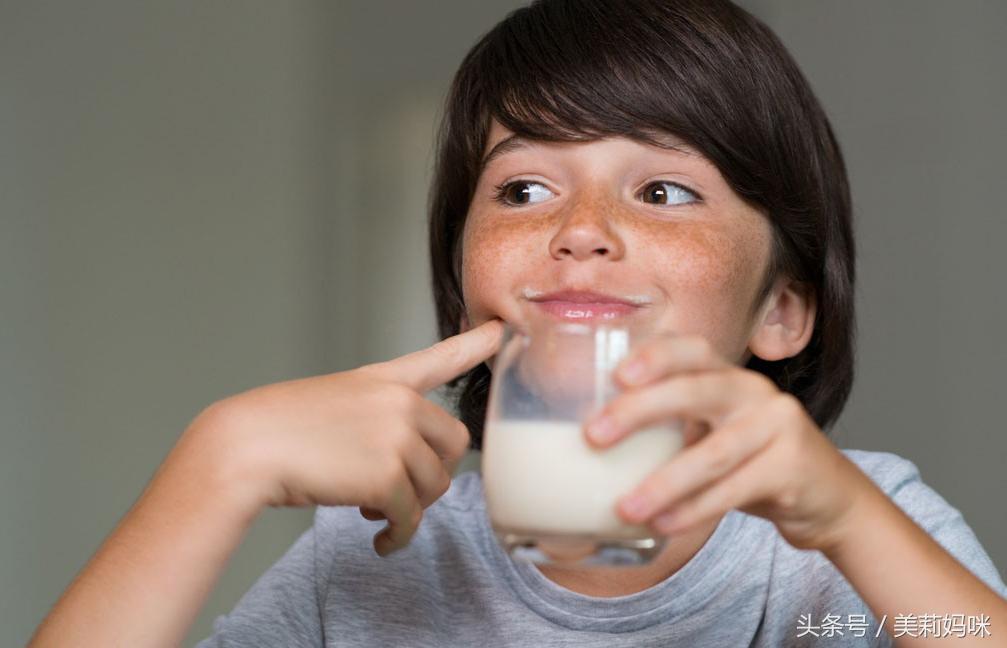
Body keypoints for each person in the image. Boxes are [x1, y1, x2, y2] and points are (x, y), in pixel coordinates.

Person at [30, 1, 1007, 646]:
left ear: (781, 312)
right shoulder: (371, 563)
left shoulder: (843, 547)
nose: (580, 233)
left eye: (662, 189)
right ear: (463, 291)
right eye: (525, 188)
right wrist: (219, 462)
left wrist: (843, 521)